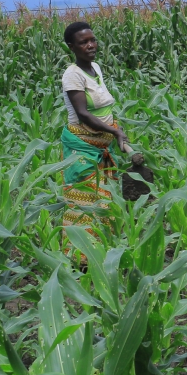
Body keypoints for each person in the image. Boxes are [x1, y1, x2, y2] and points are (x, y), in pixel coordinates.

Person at [60, 21, 145, 229]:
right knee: (85, 198)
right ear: (71, 47)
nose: (91, 45)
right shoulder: (72, 75)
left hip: (102, 144)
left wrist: (114, 131)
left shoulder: (95, 68)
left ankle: (104, 247)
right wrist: (113, 130)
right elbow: (83, 114)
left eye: (92, 40)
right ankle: (81, 254)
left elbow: (103, 107)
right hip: (83, 146)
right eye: (83, 42)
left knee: (105, 197)